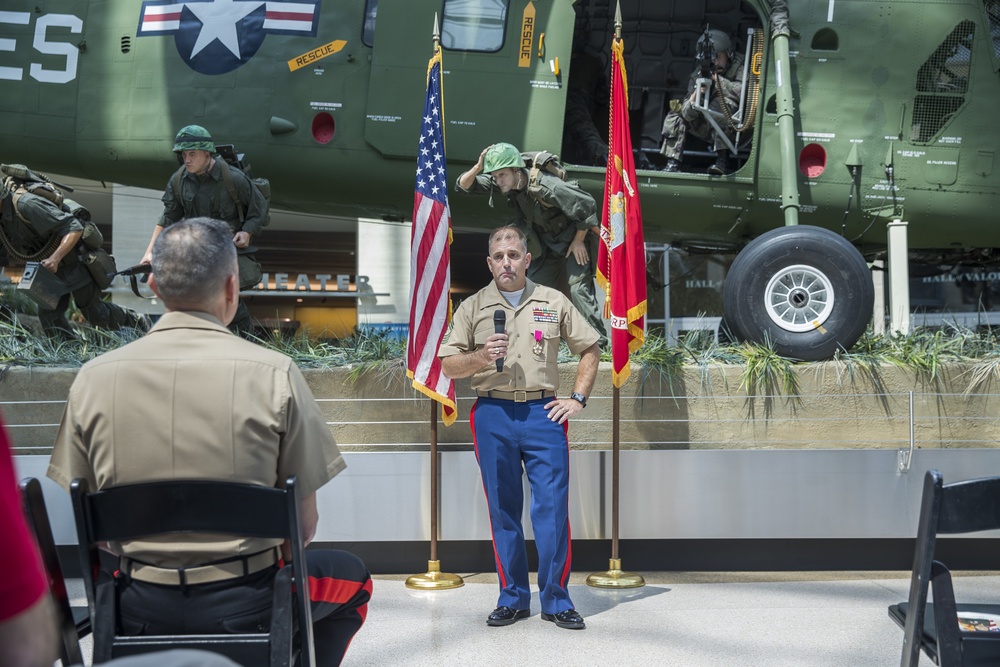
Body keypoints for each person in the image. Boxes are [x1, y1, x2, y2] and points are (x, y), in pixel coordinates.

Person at [49, 217, 371, 667]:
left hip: (137, 610)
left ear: (155, 287)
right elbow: (302, 527)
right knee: (356, 581)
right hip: (250, 610)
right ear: (232, 288)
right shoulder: (276, 375)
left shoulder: (93, 379)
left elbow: (92, 529)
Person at [438, 225, 600, 631]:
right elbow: (447, 365)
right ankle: (512, 598)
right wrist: (478, 356)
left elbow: (590, 349)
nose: (507, 262)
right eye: (499, 256)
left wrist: (576, 399)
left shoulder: (553, 300)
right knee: (503, 510)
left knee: (551, 509)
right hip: (492, 415)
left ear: (527, 260)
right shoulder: (473, 307)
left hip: (544, 414)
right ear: (489, 263)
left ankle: (557, 599)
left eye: (514, 254)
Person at [456, 142, 608, 347]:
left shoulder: (546, 185)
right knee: (535, 293)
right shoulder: (506, 182)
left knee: (578, 290)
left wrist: (579, 240)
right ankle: (544, 343)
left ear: (516, 171)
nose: (498, 181)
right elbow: (464, 185)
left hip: (571, 239)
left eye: (502, 175)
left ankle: (600, 346)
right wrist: (479, 166)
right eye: (495, 176)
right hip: (545, 244)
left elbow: (587, 204)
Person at [140, 125, 267, 335]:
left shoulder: (233, 179)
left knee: (218, 293)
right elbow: (168, 216)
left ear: (207, 154)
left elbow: (258, 210)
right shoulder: (179, 180)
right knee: (196, 297)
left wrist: (247, 232)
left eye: (192, 154)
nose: (186, 159)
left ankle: (247, 340)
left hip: (228, 249)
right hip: (197, 252)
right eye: (183, 154)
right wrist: (150, 252)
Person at [0, 176, 148, 339]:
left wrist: (55, 258)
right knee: (49, 318)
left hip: (74, 262)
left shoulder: (27, 204)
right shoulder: (3, 219)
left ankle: (135, 319)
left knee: (95, 313)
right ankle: (68, 354)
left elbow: (74, 227)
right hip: (48, 271)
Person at [660, 28, 745, 175]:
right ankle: (673, 162)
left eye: (719, 57)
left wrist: (716, 81)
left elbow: (742, 93)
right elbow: (687, 114)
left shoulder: (739, 68)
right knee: (675, 115)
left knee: (717, 104)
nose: (715, 61)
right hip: (706, 124)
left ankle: (722, 161)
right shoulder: (698, 74)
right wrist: (695, 95)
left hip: (735, 126)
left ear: (728, 54)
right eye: (712, 58)